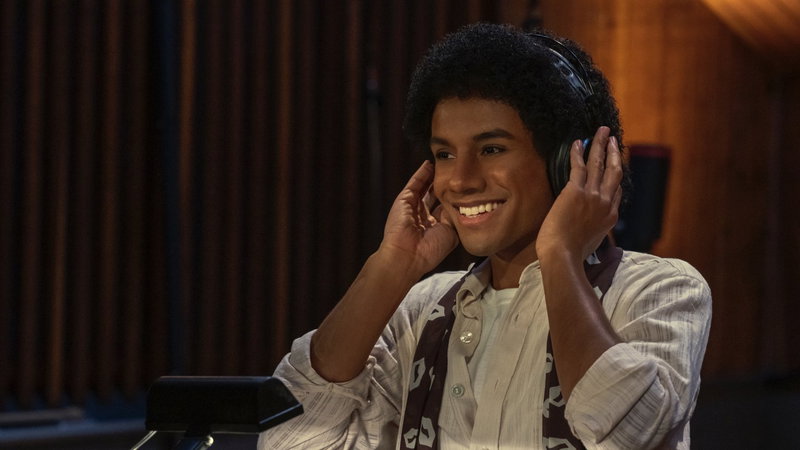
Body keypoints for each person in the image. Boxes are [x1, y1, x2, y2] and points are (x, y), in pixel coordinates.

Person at [258, 23, 711, 449]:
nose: (460, 180)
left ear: (569, 162)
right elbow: (287, 439)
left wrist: (560, 253)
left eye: (491, 148)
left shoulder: (659, 289)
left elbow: (629, 436)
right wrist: (392, 265)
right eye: (445, 154)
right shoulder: (422, 311)